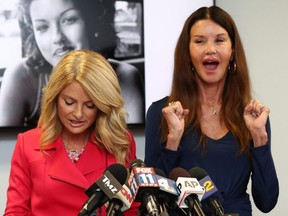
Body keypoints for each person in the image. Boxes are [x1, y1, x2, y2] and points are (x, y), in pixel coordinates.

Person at [144, 6, 279, 216]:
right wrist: (173, 140)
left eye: (219, 40)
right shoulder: (162, 113)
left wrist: (260, 138)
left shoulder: (253, 117)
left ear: (232, 51)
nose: (210, 49)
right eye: (199, 41)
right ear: (187, 53)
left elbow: (267, 202)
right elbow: (150, 201)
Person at [0, 0, 145, 127]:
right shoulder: (21, 78)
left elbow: (135, 152)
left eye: (69, 20)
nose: (57, 37)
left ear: (92, 21)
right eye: (43, 27)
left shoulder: (125, 78)